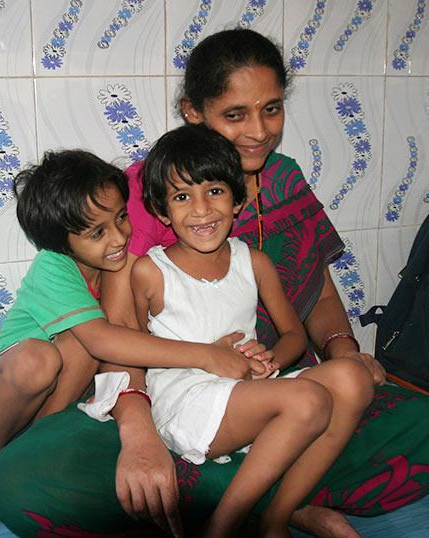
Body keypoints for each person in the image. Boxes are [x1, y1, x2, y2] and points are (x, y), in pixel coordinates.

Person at [0, 29, 429, 538]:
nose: (258, 131)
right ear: (194, 111)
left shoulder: (285, 180)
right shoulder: (142, 199)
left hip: (268, 383)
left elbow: (318, 293)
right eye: (235, 114)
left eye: (272, 109)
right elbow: (115, 338)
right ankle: (276, 498)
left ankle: (257, 496)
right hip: (154, 391)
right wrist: (138, 431)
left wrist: (345, 355)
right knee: (23, 481)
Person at [0, 149, 269, 528]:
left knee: (87, 357)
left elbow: (128, 340)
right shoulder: (53, 266)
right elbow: (104, 341)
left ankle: (33, 443)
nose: (119, 236)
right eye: (97, 232)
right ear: (60, 241)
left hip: (46, 405)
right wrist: (203, 355)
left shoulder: (122, 266)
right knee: (48, 356)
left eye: (121, 217)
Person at [132, 123, 374, 537]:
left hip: (249, 389)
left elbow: (294, 336)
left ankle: (276, 517)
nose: (202, 210)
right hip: (186, 399)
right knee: (308, 399)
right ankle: (221, 527)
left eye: (215, 191)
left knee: (353, 376)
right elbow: (129, 347)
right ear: (161, 211)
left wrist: (268, 360)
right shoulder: (151, 271)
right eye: (181, 197)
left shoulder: (254, 261)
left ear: (239, 199)